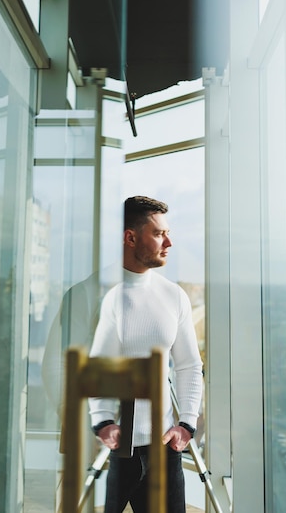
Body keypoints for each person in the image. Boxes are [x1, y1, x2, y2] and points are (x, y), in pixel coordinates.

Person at [88, 196, 203, 513]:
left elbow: (190, 366)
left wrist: (187, 425)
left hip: (164, 448)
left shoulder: (173, 295)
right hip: (112, 447)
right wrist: (102, 422)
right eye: (159, 233)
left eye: (168, 232)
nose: (169, 242)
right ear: (130, 237)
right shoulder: (99, 294)